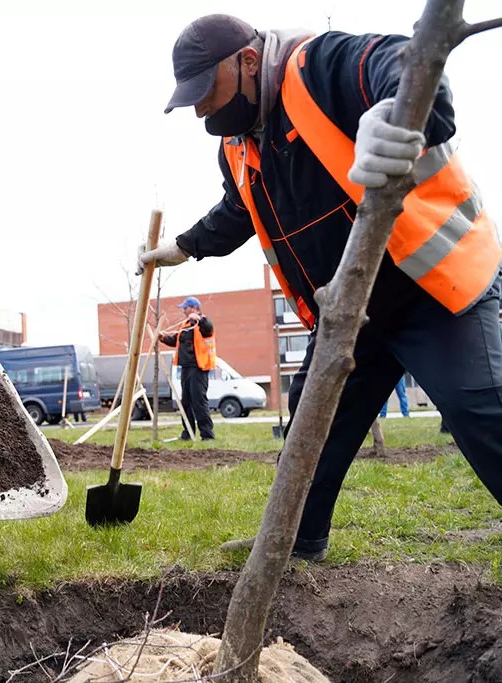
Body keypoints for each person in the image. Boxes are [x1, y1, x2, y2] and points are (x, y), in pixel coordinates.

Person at [141, 15, 502, 562]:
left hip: (432, 289)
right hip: (350, 313)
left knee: (483, 414)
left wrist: (391, 114)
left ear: (248, 61)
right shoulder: (238, 146)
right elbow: (239, 209)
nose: (201, 111)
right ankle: (291, 541)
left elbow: (407, 64)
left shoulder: (318, 66)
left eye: (206, 91)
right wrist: (185, 246)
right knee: (310, 436)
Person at [159, 296, 217, 440]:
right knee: (186, 403)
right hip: (185, 369)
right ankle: (188, 433)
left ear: (194, 308)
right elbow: (175, 340)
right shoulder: (185, 325)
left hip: (198, 368)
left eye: (186, 308)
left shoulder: (203, 323)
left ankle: (207, 435)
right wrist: (162, 337)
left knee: (199, 401)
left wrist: (198, 318)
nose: (184, 311)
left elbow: (208, 328)